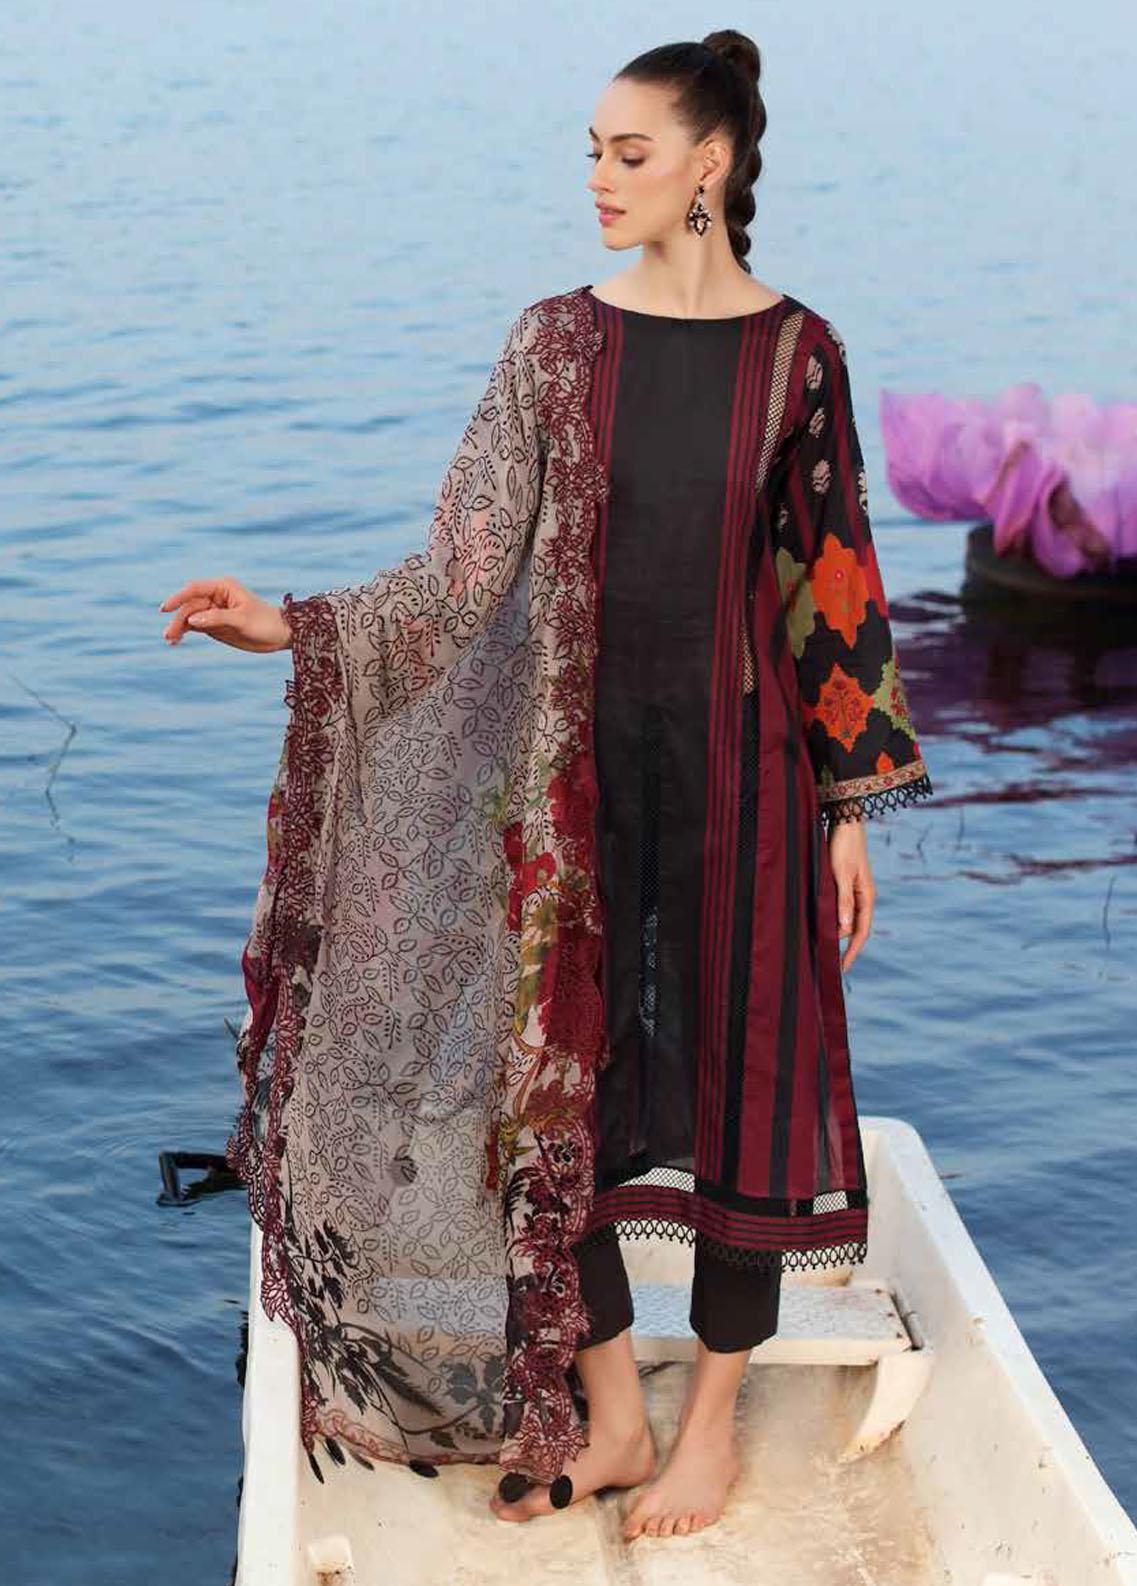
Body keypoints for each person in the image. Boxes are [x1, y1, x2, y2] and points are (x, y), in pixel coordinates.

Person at [159, 29, 932, 1544]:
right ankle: (617, 1412)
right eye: (590, 151)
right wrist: (291, 627)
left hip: (749, 788)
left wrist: (849, 810)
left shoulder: (798, 356)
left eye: (627, 153)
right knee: (551, 1095)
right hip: (572, 786)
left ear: (708, 163)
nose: (597, 179)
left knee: (744, 1090)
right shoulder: (557, 345)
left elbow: (829, 583)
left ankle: (708, 1426)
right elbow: (460, 573)